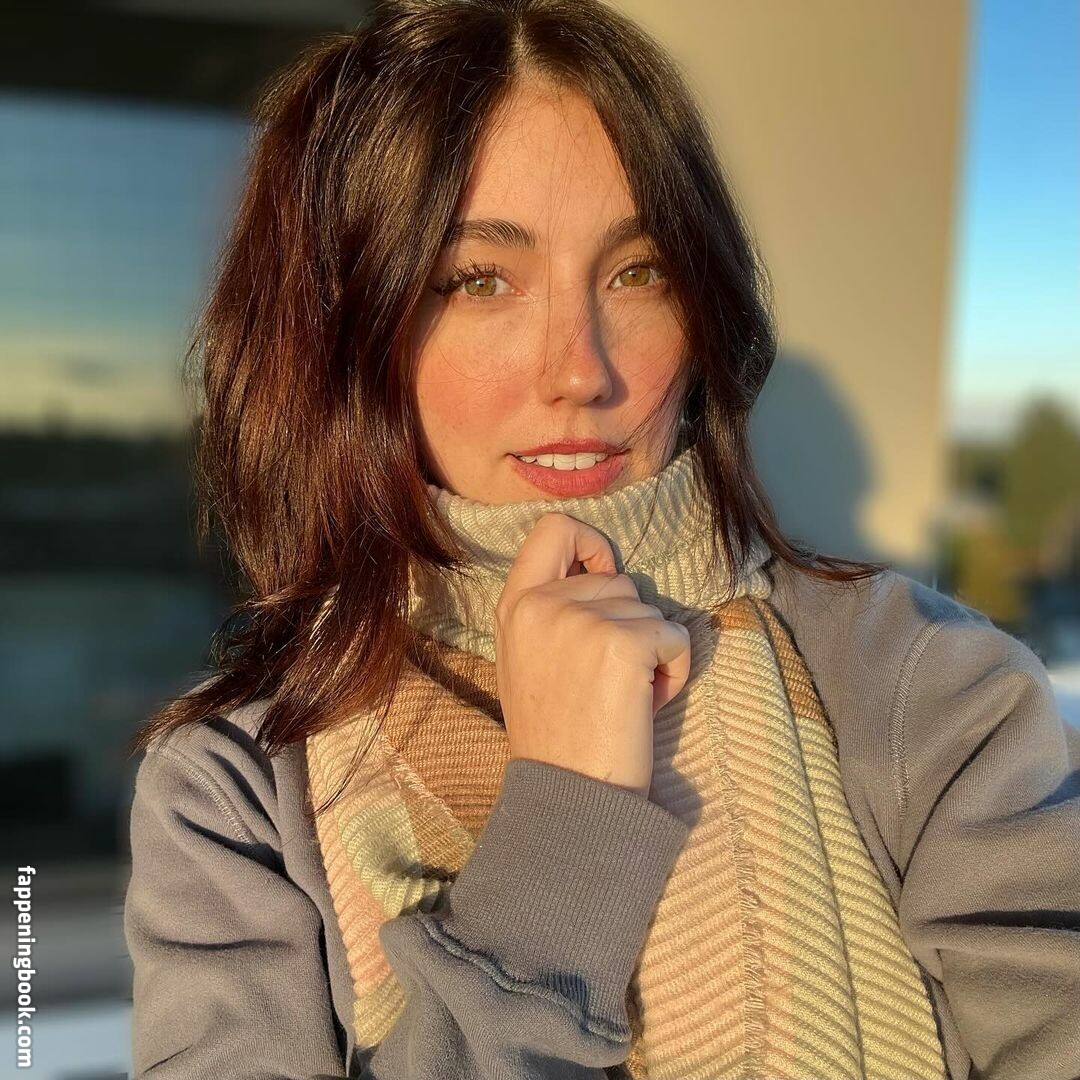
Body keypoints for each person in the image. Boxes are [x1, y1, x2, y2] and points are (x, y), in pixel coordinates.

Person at [122, 1, 1080, 1078]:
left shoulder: (926, 686)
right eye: (478, 280)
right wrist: (566, 820)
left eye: (639, 271)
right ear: (345, 327)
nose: (581, 370)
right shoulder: (236, 799)